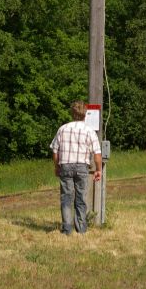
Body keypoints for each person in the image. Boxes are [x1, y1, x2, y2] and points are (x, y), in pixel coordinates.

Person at [50, 100, 102, 235]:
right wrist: (98, 170)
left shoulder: (62, 129)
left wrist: (57, 167)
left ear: (72, 113)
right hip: (82, 167)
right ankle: (81, 229)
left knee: (66, 197)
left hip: (65, 165)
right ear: (85, 114)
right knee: (81, 198)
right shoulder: (89, 131)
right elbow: (97, 154)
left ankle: (67, 229)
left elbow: (55, 150)